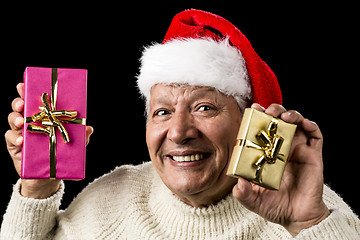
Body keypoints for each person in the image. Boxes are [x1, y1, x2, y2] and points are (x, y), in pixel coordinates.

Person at [1, 9, 359, 239]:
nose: (178, 132)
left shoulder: (311, 209)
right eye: (162, 112)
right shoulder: (111, 199)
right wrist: (37, 189)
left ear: (252, 123)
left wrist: (307, 226)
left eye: (204, 107)